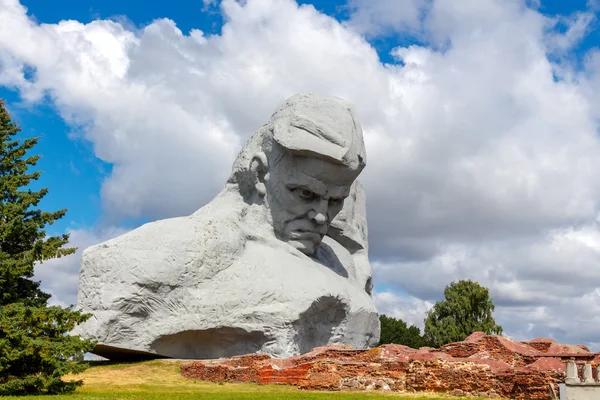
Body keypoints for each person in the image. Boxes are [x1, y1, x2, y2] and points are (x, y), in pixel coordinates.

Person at [75, 93, 380, 360]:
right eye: (305, 194)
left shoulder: (339, 261)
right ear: (260, 173)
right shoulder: (203, 243)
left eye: (335, 201)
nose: (321, 216)